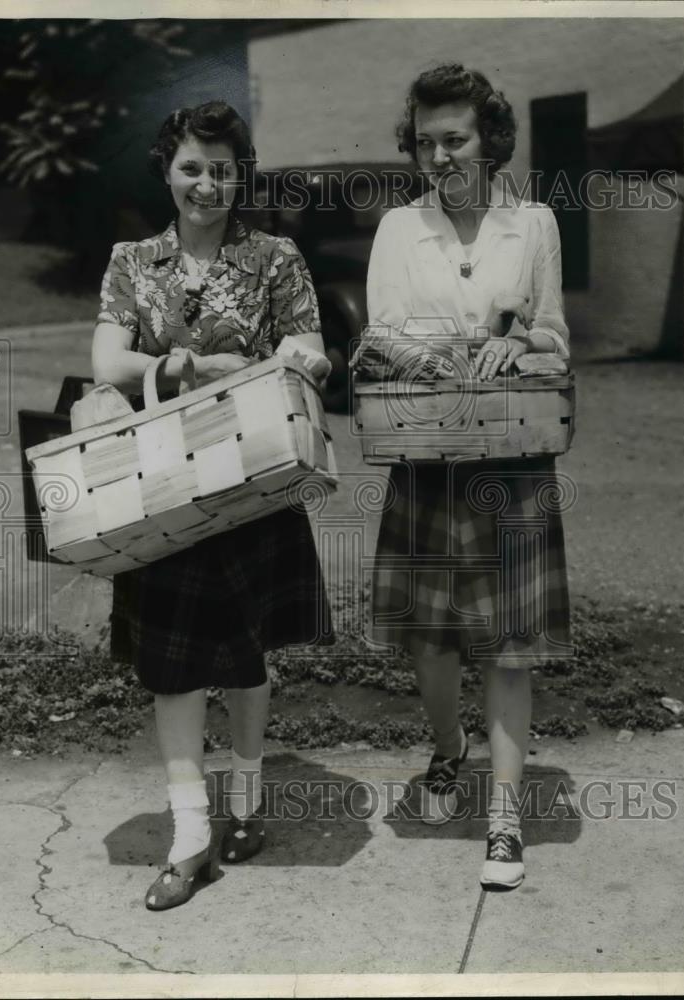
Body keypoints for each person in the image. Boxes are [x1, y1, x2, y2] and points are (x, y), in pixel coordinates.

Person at [92, 101, 333, 911]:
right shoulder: (133, 260)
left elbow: (312, 350)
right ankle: (191, 830)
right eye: (192, 167)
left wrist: (286, 357)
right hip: (160, 483)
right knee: (172, 663)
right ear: (167, 169)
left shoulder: (274, 258)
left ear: (242, 173)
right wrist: (193, 366)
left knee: (246, 649)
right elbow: (105, 359)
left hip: (254, 473)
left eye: (223, 168)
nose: (207, 183)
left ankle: (247, 799)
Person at [364, 64, 571, 890]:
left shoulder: (537, 225)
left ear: (490, 141)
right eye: (426, 143)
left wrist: (521, 340)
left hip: (513, 460)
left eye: (456, 140)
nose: (440, 157)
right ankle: (448, 754)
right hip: (426, 459)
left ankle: (507, 817)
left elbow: (556, 335)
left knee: (511, 648)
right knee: (433, 641)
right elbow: (377, 341)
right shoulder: (395, 228)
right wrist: (441, 352)